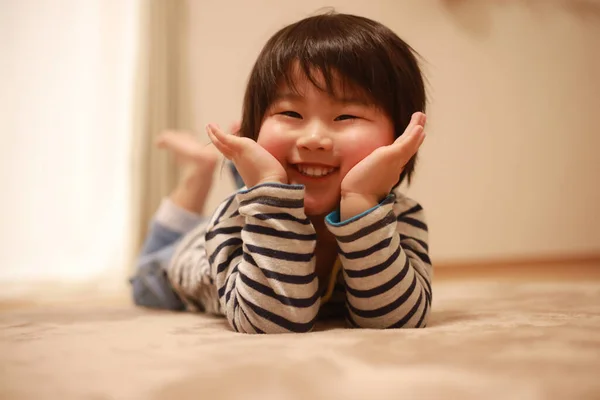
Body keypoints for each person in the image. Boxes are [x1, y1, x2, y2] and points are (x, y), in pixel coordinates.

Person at [131, 11, 432, 334]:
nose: (314, 138)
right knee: (147, 275)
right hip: (178, 261)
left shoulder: (401, 217)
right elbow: (272, 321)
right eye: (290, 112)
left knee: (279, 175)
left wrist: (361, 202)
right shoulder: (235, 219)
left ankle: (236, 162)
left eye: (346, 116)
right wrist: (269, 187)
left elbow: (397, 320)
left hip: (273, 193)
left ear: (400, 137)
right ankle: (201, 169)